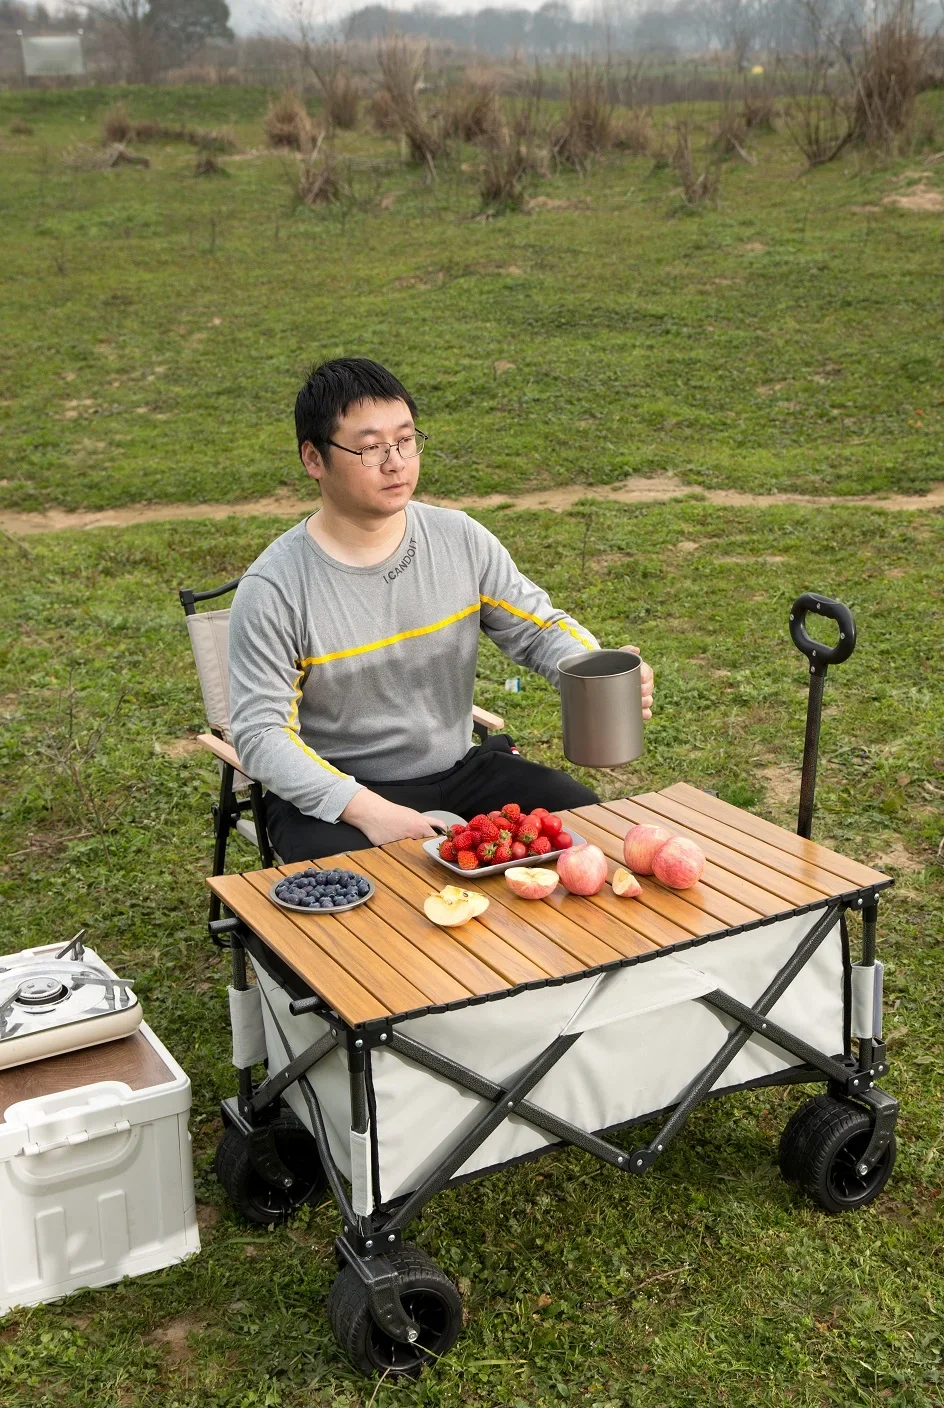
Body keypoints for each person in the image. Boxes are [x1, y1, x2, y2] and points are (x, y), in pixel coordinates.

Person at [229, 358, 654, 863]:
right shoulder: (275, 587)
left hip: (460, 771)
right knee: (373, 902)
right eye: (369, 448)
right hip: (338, 797)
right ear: (314, 458)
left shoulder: (459, 539)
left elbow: (541, 630)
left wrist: (594, 671)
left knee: (580, 827)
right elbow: (261, 734)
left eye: (406, 441)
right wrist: (367, 808)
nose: (395, 463)